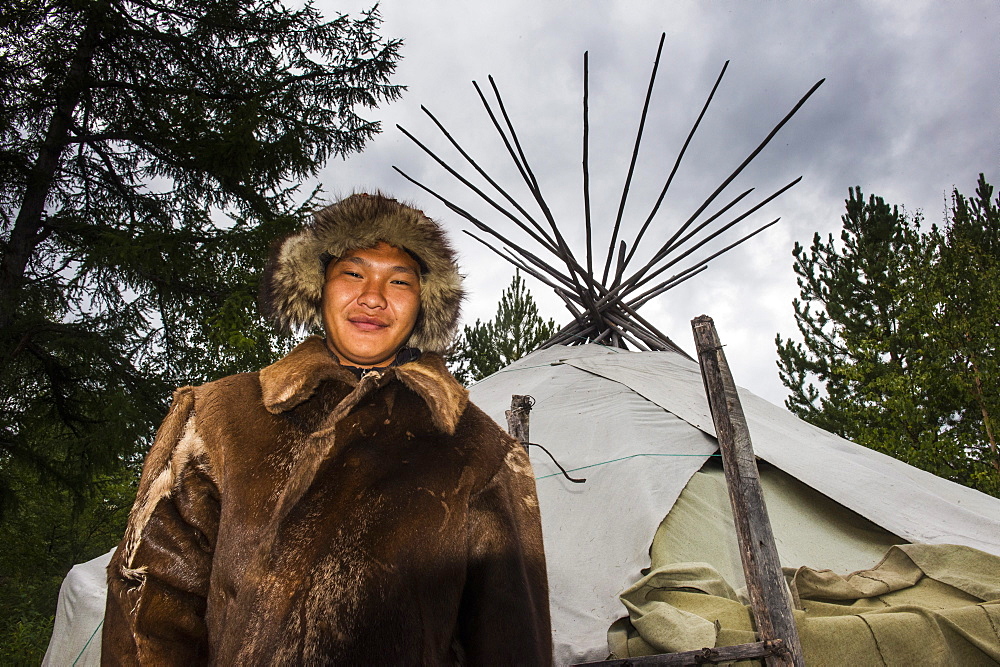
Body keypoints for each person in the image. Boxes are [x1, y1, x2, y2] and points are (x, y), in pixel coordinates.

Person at [102, 193, 552, 665]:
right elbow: (148, 605)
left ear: (422, 305)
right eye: (354, 273)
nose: (373, 298)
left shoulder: (477, 449)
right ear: (318, 286)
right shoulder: (220, 417)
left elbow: (511, 639)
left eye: (399, 281)